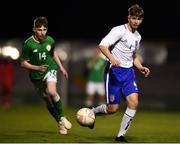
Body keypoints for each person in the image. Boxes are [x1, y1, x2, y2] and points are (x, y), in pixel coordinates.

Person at [90, 4, 150, 142]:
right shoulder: (118, 30)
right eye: (134, 18)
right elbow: (102, 45)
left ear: (141, 20)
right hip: (114, 72)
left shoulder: (138, 37)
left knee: (134, 103)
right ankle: (92, 111)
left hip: (128, 73)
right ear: (129, 18)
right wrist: (112, 58)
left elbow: (133, 55)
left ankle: (120, 136)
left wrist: (140, 67)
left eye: (139, 19)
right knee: (112, 109)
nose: (136, 21)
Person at [20, 16, 72, 135]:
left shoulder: (50, 40)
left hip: (50, 69)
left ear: (47, 30)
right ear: (34, 29)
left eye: (44, 29)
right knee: (48, 101)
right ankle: (60, 121)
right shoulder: (28, 44)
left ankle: (63, 117)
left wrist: (61, 68)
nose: (42, 32)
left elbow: (53, 53)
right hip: (36, 76)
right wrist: (36, 67)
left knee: (52, 92)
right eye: (39, 29)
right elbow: (23, 63)